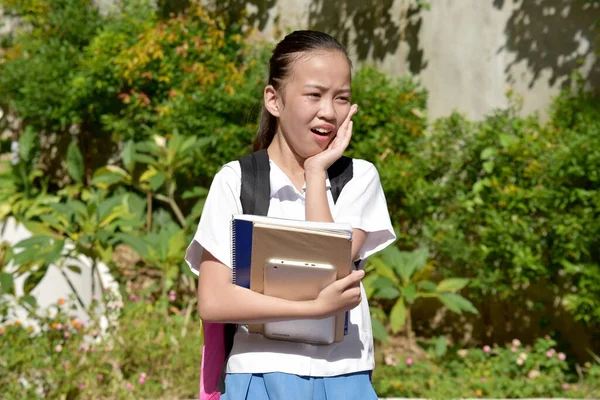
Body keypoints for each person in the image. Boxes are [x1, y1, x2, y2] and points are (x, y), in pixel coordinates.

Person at [185, 30, 396, 400]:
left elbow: (329, 261)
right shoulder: (236, 181)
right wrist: (314, 309)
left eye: (341, 98)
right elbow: (213, 301)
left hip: (344, 376)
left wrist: (316, 173)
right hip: (257, 376)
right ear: (274, 100)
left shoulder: (358, 178)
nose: (328, 112)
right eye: (314, 95)